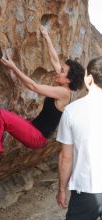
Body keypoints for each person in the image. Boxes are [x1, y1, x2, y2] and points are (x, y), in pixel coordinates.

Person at [0, 26, 84, 167]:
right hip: (32, 127)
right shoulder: (64, 84)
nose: (58, 71)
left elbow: (33, 87)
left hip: (36, 137)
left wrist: (13, 67)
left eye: (62, 71)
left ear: (69, 79)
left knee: (0, 115)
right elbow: (55, 60)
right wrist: (46, 36)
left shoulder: (63, 93)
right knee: (1, 118)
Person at [56, 56, 102, 220]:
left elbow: (66, 157)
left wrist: (62, 189)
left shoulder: (72, 111)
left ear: (89, 79)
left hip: (87, 188)